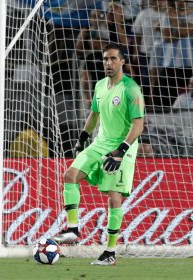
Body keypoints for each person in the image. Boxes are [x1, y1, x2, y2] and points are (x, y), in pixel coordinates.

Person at [53, 43, 145, 266]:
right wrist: (83, 136)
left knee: (114, 199)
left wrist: (121, 151)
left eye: (113, 59)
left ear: (122, 62)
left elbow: (139, 124)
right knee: (70, 175)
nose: (108, 63)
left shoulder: (131, 89)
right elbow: (94, 114)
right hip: (100, 142)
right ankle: (73, 229)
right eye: (105, 59)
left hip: (123, 146)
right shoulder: (100, 85)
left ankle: (110, 252)